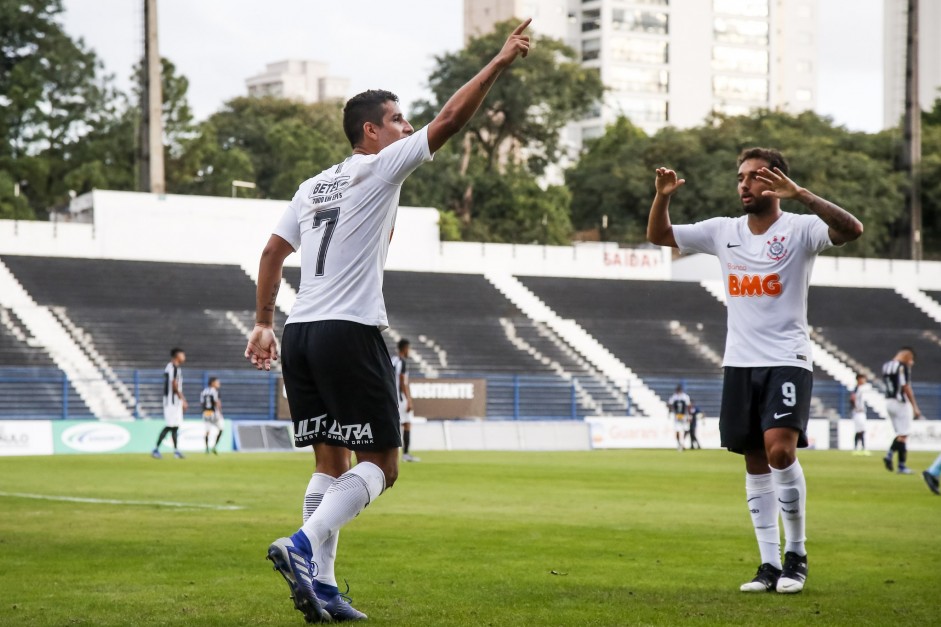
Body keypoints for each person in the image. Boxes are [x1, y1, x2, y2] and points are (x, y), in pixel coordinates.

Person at [244, 20, 532, 623]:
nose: (408, 126)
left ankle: (322, 589)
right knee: (383, 465)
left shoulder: (310, 186)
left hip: (299, 332)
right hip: (350, 330)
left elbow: (272, 254)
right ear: (371, 132)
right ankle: (298, 546)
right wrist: (500, 61)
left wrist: (264, 322)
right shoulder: (378, 166)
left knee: (329, 465)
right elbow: (452, 120)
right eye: (398, 120)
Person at [647, 147, 863, 595]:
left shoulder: (801, 228)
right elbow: (659, 236)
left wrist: (802, 194)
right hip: (740, 361)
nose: (744, 185)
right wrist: (663, 196)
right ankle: (767, 565)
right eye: (740, 177)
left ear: (776, 181)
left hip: (787, 357)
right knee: (754, 460)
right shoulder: (723, 231)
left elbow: (852, 229)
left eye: (753, 177)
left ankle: (796, 555)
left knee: (780, 452)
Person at [881, 347, 922, 474]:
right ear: (907, 357)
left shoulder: (886, 366)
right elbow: (905, 386)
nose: (912, 363)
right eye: (911, 360)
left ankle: (898, 463)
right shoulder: (902, 366)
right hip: (900, 403)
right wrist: (915, 406)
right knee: (904, 434)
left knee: (900, 434)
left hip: (888, 402)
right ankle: (895, 460)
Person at [152, 348, 188, 459]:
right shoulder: (173, 368)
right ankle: (156, 449)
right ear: (177, 356)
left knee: (175, 427)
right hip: (172, 402)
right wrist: (183, 400)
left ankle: (176, 451)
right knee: (170, 426)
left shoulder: (171, 367)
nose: (184, 357)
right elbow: (174, 385)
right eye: (182, 355)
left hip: (173, 401)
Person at [391, 338, 419, 462]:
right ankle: (406, 454)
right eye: (409, 348)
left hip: (392, 398)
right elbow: (403, 381)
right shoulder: (402, 362)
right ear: (405, 348)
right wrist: (409, 400)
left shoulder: (393, 360)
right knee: (407, 424)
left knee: (395, 425)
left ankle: (392, 453)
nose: (409, 351)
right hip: (401, 398)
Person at [200, 377, 224, 454]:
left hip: (206, 413)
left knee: (207, 431)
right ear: (212, 383)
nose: (218, 383)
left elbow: (202, 403)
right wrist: (220, 412)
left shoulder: (203, 391)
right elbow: (217, 403)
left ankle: (206, 449)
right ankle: (214, 446)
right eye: (217, 382)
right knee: (221, 429)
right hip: (214, 413)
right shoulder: (215, 391)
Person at [849, 373, 870, 455]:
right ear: (859, 379)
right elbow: (852, 398)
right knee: (860, 430)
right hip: (859, 413)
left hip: (860, 412)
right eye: (863, 378)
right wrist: (856, 408)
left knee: (860, 430)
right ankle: (860, 448)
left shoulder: (859, 388)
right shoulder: (857, 389)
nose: (864, 380)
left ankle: (858, 448)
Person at [667, 384, 691, 452]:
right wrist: (689, 415)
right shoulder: (685, 397)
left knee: (682, 430)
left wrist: (670, 412)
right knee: (683, 430)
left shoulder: (674, 397)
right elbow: (688, 406)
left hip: (678, 416)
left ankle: (680, 443)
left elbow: (669, 405)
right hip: (682, 415)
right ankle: (681, 443)